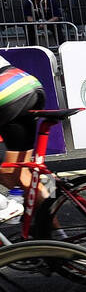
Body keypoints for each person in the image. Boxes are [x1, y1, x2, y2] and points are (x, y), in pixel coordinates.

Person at [0, 55, 48, 223]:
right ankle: (56, 233)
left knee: (6, 173)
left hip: (7, 91)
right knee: (22, 173)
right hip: (26, 82)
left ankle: (5, 205)